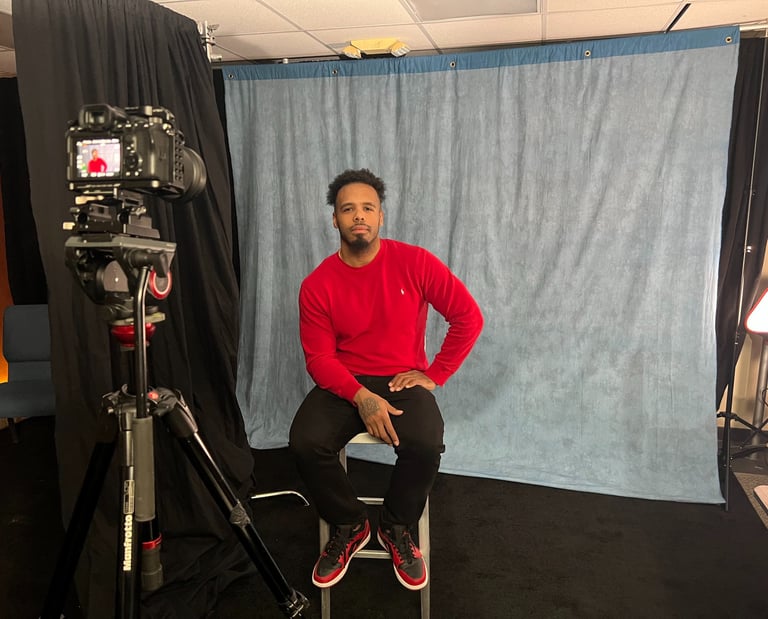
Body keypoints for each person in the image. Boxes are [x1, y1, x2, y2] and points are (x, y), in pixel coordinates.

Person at [289, 168, 483, 592]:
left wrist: (434, 374)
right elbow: (319, 359)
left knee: (425, 443)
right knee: (305, 441)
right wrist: (361, 396)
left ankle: (396, 526)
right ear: (335, 220)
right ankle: (349, 523)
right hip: (344, 382)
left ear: (380, 217)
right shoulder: (317, 284)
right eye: (348, 209)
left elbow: (468, 317)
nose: (359, 216)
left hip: (400, 381)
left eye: (368, 208)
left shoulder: (416, 262)